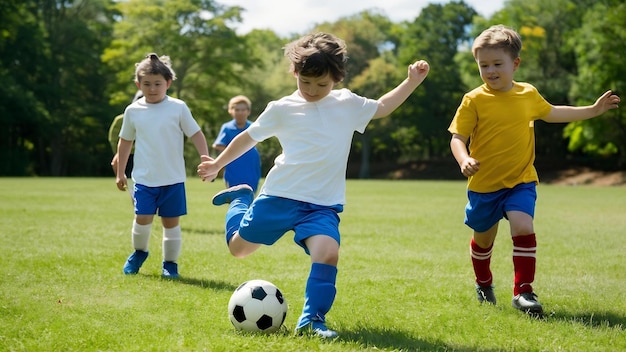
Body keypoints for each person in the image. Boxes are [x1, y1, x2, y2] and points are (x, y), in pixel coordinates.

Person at [197, 32, 430, 338]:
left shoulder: (347, 103)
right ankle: (241, 199)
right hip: (280, 196)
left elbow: (384, 106)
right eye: (305, 82)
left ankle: (311, 321)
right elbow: (248, 138)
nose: (312, 90)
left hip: (321, 204)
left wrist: (411, 81)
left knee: (328, 253)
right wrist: (218, 164)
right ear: (295, 73)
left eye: (322, 84)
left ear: (337, 78)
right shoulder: (281, 108)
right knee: (238, 249)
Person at [448, 24, 620, 316]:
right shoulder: (473, 100)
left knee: (523, 226)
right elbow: (457, 138)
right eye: (484, 65)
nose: (490, 71)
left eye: (497, 64)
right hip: (484, 186)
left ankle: (523, 291)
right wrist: (464, 159)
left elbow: (553, 112)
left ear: (515, 64)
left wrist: (592, 110)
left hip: (520, 181)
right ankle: (483, 282)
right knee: (483, 239)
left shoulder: (528, 94)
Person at [116, 53, 210, 279]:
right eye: (146, 84)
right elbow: (125, 141)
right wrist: (121, 173)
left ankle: (170, 264)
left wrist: (206, 158)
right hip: (144, 179)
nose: (152, 88)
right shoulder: (133, 111)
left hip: (173, 179)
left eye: (157, 83)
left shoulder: (178, 108)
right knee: (142, 218)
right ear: (139, 84)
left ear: (168, 83)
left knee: (171, 224)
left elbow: (196, 133)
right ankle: (139, 253)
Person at [212, 95, 261, 192]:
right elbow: (218, 145)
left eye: (243, 110)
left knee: (250, 194)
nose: (240, 112)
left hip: (251, 165)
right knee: (234, 194)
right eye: (237, 109)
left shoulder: (253, 126)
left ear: (248, 111)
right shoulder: (227, 128)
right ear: (230, 111)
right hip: (233, 166)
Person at [109, 90, 143, 200]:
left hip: (144, 153)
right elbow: (114, 138)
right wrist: (118, 153)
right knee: (116, 163)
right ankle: (132, 194)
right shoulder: (121, 120)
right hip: (128, 153)